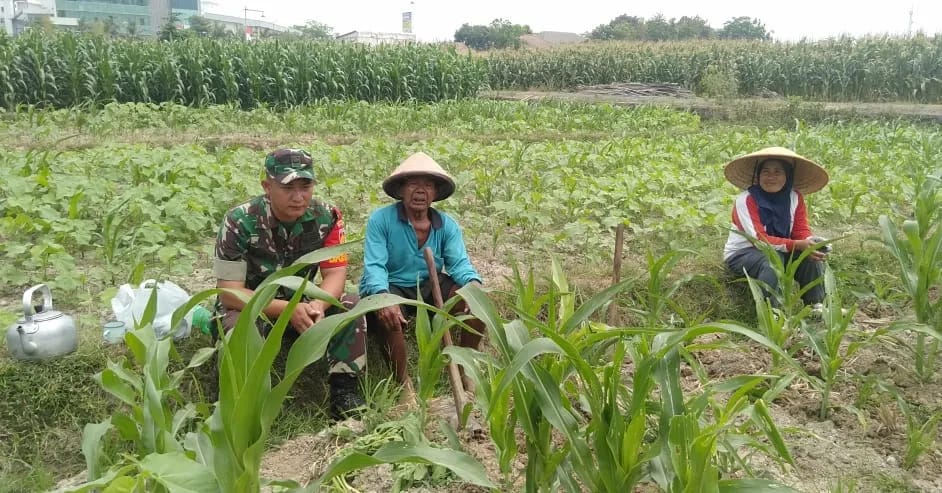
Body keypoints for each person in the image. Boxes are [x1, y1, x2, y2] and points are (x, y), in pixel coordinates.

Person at [213, 148, 366, 420]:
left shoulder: (327, 217)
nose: (298, 197)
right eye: (288, 188)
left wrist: (318, 304)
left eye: (305, 186)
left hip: (302, 303)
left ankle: (345, 393)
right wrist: (287, 309)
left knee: (351, 305)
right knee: (237, 327)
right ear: (267, 187)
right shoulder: (238, 221)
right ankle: (241, 405)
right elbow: (229, 292)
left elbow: (335, 274)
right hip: (252, 304)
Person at [359, 152, 484, 402]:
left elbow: (459, 264)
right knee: (389, 316)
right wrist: (383, 296)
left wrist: (473, 286)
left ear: (435, 193)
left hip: (430, 283)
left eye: (427, 185)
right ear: (401, 189)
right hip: (393, 283)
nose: (420, 191)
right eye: (413, 184)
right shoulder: (381, 220)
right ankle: (403, 383)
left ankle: (466, 367)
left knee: (475, 304)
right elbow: (375, 266)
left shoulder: (446, 225)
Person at [722, 147, 831, 310]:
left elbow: (800, 230)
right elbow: (758, 240)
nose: (771, 177)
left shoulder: (795, 198)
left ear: (788, 176)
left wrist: (810, 242)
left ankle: (816, 305)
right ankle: (770, 312)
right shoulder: (747, 200)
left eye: (778, 172)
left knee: (810, 255)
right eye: (765, 172)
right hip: (744, 253)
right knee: (773, 260)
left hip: (781, 250)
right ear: (758, 176)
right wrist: (797, 244)